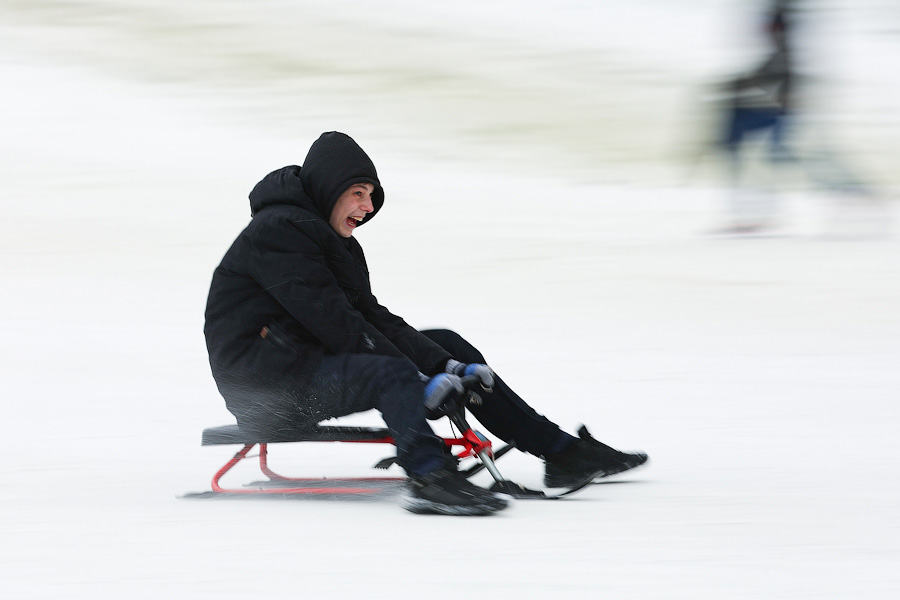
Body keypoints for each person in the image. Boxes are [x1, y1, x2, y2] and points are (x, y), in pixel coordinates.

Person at [204, 132, 648, 516]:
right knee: (391, 371)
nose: (369, 205)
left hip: (304, 364)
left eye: (372, 195)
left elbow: (370, 317)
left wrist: (446, 367)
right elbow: (334, 322)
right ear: (329, 187)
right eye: (358, 192)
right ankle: (429, 477)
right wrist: (418, 377)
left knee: (448, 345)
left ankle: (559, 451)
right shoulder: (278, 231)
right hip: (266, 388)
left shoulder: (332, 240)